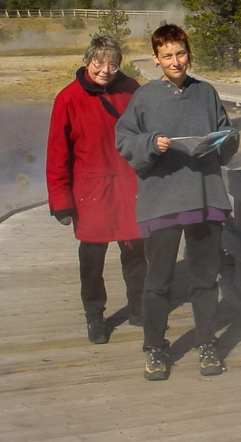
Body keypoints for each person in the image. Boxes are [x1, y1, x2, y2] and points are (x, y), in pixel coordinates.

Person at [115, 24, 239, 381]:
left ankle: (206, 343)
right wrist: (151, 144)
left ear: (189, 54)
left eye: (180, 53)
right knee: (159, 281)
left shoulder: (206, 93)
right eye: (167, 55)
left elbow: (227, 135)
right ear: (155, 59)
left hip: (205, 195)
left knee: (204, 279)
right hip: (162, 199)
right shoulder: (144, 97)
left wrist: (226, 139)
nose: (175, 61)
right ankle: (155, 349)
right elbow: (123, 139)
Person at [46, 34, 146, 345]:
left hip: (130, 186)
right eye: (99, 62)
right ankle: (95, 316)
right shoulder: (68, 98)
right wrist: (61, 202)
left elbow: (148, 136)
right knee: (92, 259)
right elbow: (57, 154)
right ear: (88, 60)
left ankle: (139, 308)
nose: (105, 69)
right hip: (91, 192)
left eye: (113, 63)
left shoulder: (133, 91)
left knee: (136, 254)